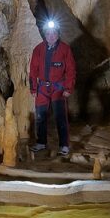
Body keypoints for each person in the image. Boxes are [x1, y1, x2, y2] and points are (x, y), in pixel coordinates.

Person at [28, 19, 75, 155]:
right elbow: (33, 71)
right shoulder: (38, 49)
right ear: (45, 35)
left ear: (58, 34)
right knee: (40, 116)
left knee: (60, 116)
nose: (51, 36)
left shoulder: (65, 49)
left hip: (58, 88)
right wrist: (33, 89)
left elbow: (71, 70)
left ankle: (64, 145)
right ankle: (41, 142)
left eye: (54, 33)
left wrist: (68, 88)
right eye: (48, 34)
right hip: (42, 88)